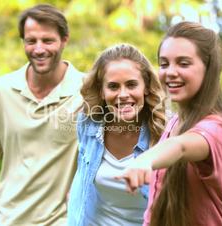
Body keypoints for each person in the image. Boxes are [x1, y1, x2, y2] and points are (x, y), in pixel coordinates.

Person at [0, 4, 84, 226]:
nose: (39, 49)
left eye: (48, 40)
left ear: (64, 40)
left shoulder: (87, 90)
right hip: (10, 219)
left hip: (65, 220)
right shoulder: (3, 89)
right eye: (31, 41)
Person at [117, 21, 222, 226]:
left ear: (208, 69)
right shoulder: (174, 122)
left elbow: (181, 146)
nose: (170, 72)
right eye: (164, 64)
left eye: (183, 63)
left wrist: (143, 161)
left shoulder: (220, 129)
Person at [67, 43, 166, 226]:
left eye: (131, 85)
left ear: (145, 87)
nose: (123, 95)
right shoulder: (88, 124)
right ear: (102, 92)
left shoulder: (165, 132)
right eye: (113, 86)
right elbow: (82, 182)